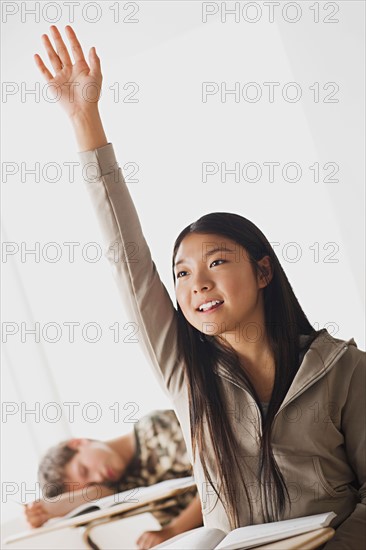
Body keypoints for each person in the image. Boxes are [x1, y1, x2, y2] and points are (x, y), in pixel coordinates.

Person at [33, 24, 366, 549]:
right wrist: (84, 119)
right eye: (182, 273)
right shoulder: (186, 374)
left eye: (216, 261)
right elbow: (128, 261)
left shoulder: (343, 368)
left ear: (262, 271)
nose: (197, 284)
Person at [25, 409, 203, 548]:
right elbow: (96, 497)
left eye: (84, 470)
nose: (98, 477)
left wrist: (173, 530)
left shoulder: (154, 429)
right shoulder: (126, 487)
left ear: (77, 443)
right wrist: (46, 511)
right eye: (91, 485)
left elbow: (215, 478)